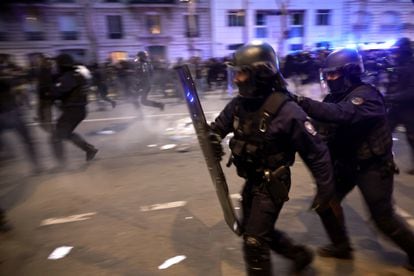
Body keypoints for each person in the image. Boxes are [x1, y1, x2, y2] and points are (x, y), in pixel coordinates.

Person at [209, 41, 335, 275]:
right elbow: (216, 128)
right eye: (235, 74)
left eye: (242, 74)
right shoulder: (239, 105)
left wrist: (325, 190)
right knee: (252, 229)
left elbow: (316, 152)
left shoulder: (287, 111)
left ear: (261, 73)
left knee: (254, 243)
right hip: (252, 180)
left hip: (272, 182)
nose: (236, 79)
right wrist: (213, 139)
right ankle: (298, 254)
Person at [294, 48, 414, 271]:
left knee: (383, 218)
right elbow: (323, 123)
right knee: (326, 203)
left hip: (373, 167)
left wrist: (301, 101)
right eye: (327, 75)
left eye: (333, 74)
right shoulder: (334, 98)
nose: (329, 79)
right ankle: (341, 246)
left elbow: (341, 114)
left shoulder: (367, 95)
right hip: (346, 164)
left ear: (349, 72)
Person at [51, 54, 98, 165]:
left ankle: (61, 165)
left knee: (56, 137)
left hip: (72, 110)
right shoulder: (79, 75)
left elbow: (58, 93)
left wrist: (52, 87)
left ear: (62, 65)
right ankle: (89, 149)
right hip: (79, 109)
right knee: (66, 133)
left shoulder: (68, 77)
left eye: (57, 64)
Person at [384, 37, 414, 174]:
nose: (396, 53)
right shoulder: (397, 65)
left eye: (398, 50)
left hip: (409, 109)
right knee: (383, 134)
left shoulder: (411, 66)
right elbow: (393, 84)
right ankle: (385, 162)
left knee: (412, 138)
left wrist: (392, 96)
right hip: (395, 108)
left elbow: (411, 90)